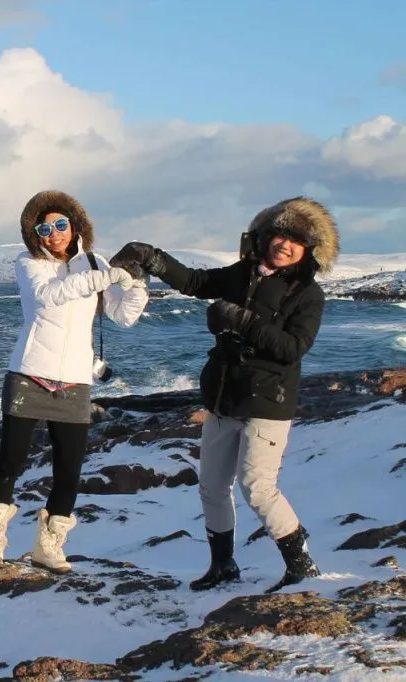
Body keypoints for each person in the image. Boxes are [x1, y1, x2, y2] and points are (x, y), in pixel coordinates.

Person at [110, 196, 340, 593]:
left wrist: (243, 321)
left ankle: (300, 565)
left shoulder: (307, 294)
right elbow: (196, 282)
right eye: (280, 236)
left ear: (307, 249)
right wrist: (154, 258)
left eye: (296, 241)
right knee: (212, 486)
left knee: (258, 487)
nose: (285, 245)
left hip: (268, 402)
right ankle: (222, 566)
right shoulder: (243, 273)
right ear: (265, 237)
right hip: (224, 397)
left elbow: (293, 348)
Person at [0, 190, 149, 573]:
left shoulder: (94, 263)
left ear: (75, 226)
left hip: (75, 379)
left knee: (69, 469)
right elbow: (48, 297)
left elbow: (122, 316)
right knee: (11, 461)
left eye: (60, 225)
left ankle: (49, 547)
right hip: (29, 373)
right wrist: (103, 277)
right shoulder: (29, 263)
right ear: (35, 233)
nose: (54, 233)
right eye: (45, 228)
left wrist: (135, 286)